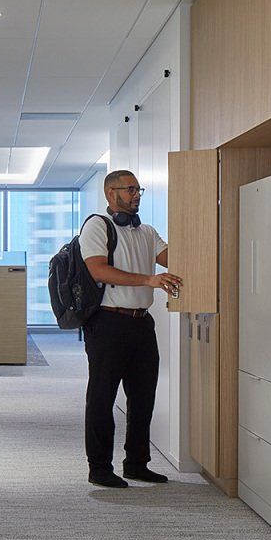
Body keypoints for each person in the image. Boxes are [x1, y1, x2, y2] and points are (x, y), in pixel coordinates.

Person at [79, 169, 183, 488]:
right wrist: (149, 280)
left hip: (141, 324)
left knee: (142, 398)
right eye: (130, 189)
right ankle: (99, 467)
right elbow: (98, 269)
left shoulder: (147, 232)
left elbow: (177, 259)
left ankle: (136, 463)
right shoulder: (98, 225)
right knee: (102, 397)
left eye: (139, 189)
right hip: (108, 322)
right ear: (112, 193)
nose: (137, 194)